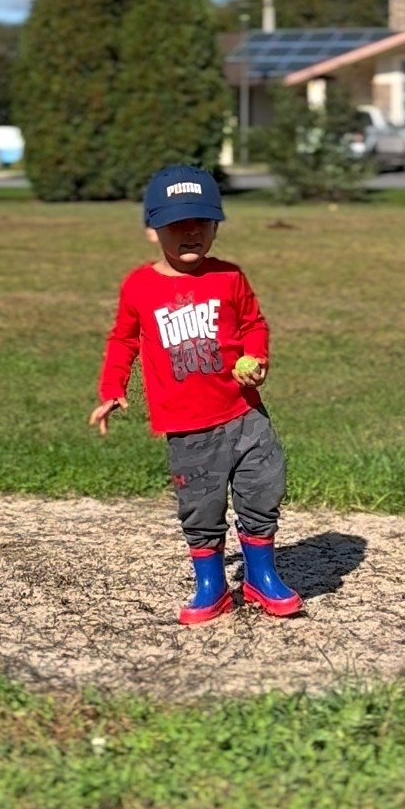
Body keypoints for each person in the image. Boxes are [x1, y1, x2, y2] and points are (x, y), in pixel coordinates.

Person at [90, 163, 302, 625]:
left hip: (244, 413)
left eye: (202, 222)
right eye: (176, 224)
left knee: (264, 489)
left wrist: (258, 359)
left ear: (216, 226)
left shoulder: (230, 278)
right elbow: (123, 339)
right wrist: (112, 388)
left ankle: (260, 576)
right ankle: (211, 586)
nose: (191, 233)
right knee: (201, 509)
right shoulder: (139, 286)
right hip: (188, 426)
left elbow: (252, 325)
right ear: (152, 229)